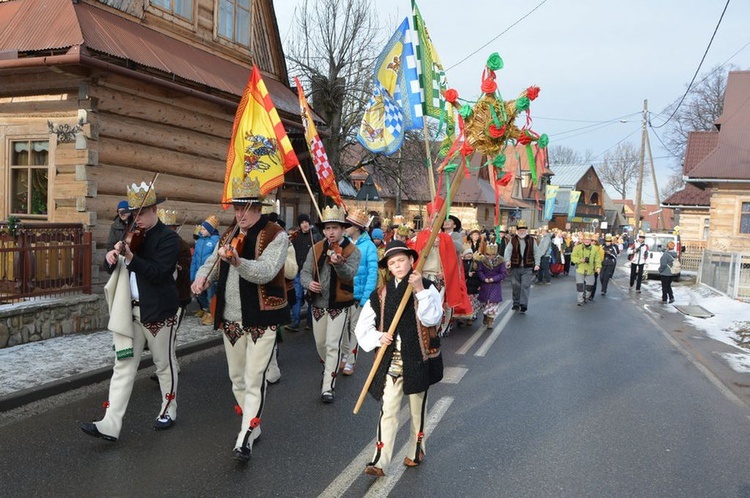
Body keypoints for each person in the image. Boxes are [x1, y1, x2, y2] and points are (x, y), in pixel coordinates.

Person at [190, 176, 290, 462]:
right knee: (236, 378)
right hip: (231, 318)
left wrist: (238, 262)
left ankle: (246, 433)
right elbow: (212, 262)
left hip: (261, 318)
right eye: (236, 208)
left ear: (258, 207)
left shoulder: (276, 234)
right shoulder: (229, 232)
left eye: (246, 208)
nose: (240, 214)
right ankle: (251, 421)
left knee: (254, 377)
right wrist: (200, 277)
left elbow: (266, 271)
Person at [81, 181, 180, 443]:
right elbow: (109, 268)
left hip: (158, 312)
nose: (138, 219)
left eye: (143, 213)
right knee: (123, 366)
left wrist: (132, 258)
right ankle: (110, 424)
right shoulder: (130, 233)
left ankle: (169, 409)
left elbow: (158, 274)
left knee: (163, 365)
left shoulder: (169, 238)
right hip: (129, 313)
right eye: (134, 214)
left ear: (154, 211)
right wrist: (112, 258)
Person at [354, 240, 443, 477]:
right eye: (392, 263)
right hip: (392, 359)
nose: (398, 266)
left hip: (417, 357)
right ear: (388, 268)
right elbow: (363, 326)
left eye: (401, 260)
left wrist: (420, 291)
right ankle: (380, 460)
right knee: (389, 409)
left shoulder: (427, 286)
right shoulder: (381, 294)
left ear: (412, 260)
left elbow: (433, 319)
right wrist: (378, 336)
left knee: (417, 409)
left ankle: (416, 449)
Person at [300, 205, 361, 403]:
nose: (331, 232)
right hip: (318, 304)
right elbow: (305, 272)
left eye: (335, 228)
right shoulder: (316, 247)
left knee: (332, 344)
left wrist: (339, 263)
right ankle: (329, 369)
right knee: (320, 344)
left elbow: (349, 274)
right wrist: (309, 283)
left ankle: (328, 386)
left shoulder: (353, 250)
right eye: (327, 228)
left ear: (343, 229)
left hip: (340, 304)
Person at [341, 208, 379, 377]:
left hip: (359, 296)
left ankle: (350, 361)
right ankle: (344, 354)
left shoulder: (369, 245)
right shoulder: (343, 243)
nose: (345, 227)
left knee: (354, 329)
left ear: (356, 227)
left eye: (347, 225)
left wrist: (366, 298)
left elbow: (373, 273)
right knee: (342, 327)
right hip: (343, 292)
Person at [288, 213, 322, 331]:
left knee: (310, 297)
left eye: (306, 222)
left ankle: (310, 321)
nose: (305, 224)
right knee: (297, 295)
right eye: (302, 223)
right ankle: (295, 321)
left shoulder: (315, 236)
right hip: (298, 271)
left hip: (310, 272)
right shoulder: (296, 237)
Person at [503, 219, 540, 314]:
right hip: (515, 267)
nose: (522, 231)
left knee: (525, 285)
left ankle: (523, 304)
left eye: (523, 230)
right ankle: (516, 303)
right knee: (515, 286)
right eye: (520, 230)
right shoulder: (513, 240)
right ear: (517, 231)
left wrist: (537, 264)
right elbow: (508, 251)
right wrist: (507, 261)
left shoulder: (532, 240)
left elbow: (537, 252)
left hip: (527, 267)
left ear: (526, 231)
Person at [190, 215, 220, 325]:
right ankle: (205, 310)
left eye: (204, 229)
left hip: (210, 276)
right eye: (201, 228)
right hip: (199, 273)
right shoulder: (199, 242)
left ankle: (212, 314)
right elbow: (194, 259)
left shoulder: (216, 241)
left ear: (210, 230)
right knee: (200, 295)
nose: (201, 231)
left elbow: (215, 259)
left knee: (210, 295)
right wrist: (193, 274)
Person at [476, 242, 506, 327]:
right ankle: (486, 316)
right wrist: (484, 278)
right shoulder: (483, 260)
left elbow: (503, 273)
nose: (490, 257)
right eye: (488, 255)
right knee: (485, 303)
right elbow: (480, 271)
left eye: (492, 255)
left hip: (495, 285)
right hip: (485, 285)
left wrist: (494, 279)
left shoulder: (500, 261)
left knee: (493, 303)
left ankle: (490, 320)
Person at [570, 232, 602, 306]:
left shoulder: (595, 249)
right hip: (580, 270)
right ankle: (580, 300)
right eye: (585, 239)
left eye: (588, 239)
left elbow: (597, 259)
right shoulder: (577, 248)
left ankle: (586, 297)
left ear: (591, 240)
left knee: (589, 288)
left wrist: (598, 267)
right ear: (583, 240)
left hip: (590, 271)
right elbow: (573, 258)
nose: (587, 241)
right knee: (580, 286)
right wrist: (580, 260)